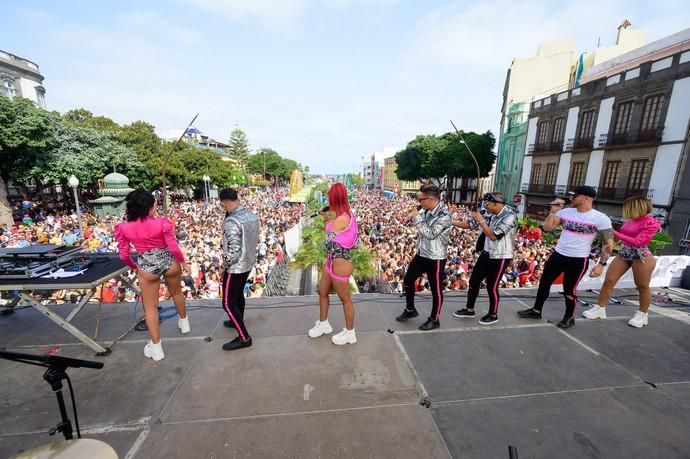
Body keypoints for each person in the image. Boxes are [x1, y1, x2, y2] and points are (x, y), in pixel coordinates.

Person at [517, 186, 613, 328]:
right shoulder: (566, 212)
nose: (571, 198)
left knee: (569, 290)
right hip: (559, 254)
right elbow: (547, 228)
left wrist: (601, 264)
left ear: (586, 198)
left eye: (575, 196)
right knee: (544, 283)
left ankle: (569, 317)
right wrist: (552, 212)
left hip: (578, 259)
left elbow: (608, 243)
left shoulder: (600, 218)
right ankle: (536, 310)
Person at [114, 190, 190, 362]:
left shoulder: (124, 228)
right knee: (177, 293)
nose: (156, 205)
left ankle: (156, 349)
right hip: (169, 263)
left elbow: (124, 255)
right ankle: (184, 323)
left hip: (147, 268)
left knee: (150, 307)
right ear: (149, 207)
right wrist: (182, 262)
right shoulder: (162, 223)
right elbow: (173, 246)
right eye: (155, 203)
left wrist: (135, 267)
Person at [582, 196, 660, 328]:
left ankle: (642, 315)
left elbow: (638, 242)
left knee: (642, 286)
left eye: (629, 208)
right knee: (609, 280)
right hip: (624, 252)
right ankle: (600, 309)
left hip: (640, 256)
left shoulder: (651, 223)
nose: (626, 211)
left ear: (637, 207)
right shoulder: (631, 220)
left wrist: (614, 233)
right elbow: (627, 237)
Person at [452, 192, 517, 325]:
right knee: (474, 281)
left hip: (501, 256)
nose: (485, 206)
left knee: (492, 286)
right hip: (487, 253)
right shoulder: (488, 213)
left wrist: (481, 220)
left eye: (488, 203)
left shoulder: (510, 216)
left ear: (497, 204)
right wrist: (450, 222)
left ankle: (493, 314)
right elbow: (469, 224)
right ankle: (470, 309)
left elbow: (493, 236)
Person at [308, 183, 359, 345]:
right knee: (322, 291)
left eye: (329, 196)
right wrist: (326, 219)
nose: (327, 198)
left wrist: (325, 221)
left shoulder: (342, 218)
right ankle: (323, 323)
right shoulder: (340, 214)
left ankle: (350, 333)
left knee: (346, 299)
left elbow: (326, 244)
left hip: (340, 263)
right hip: (331, 261)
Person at [396, 184, 452, 331]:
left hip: (436, 258)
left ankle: (434, 319)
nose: (418, 201)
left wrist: (417, 217)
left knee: (436, 290)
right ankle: (410, 309)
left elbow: (431, 233)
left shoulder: (444, 216)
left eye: (420, 199)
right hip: (422, 254)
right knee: (408, 280)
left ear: (431, 199)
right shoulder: (427, 211)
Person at [219, 188, 260, 351]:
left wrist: (223, 266)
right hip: (248, 262)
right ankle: (237, 319)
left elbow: (234, 251)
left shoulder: (232, 221)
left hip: (235, 267)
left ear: (224, 202)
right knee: (238, 296)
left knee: (228, 303)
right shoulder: (252, 216)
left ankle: (244, 338)